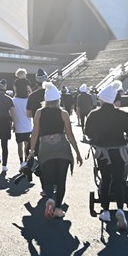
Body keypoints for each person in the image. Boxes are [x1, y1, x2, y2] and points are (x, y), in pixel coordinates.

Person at [84, 81, 128, 230]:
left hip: (102, 152)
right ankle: (120, 209)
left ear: (101, 99)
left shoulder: (94, 114)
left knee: (106, 179)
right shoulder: (122, 114)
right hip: (119, 151)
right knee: (119, 180)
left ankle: (106, 211)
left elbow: (87, 132)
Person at [27, 82, 82, 218]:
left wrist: (31, 151)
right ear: (58, 99)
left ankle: (50, 198)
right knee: (61, 179)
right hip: (62, 148)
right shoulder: (63, 113)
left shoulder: (39, 113)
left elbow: (35, 133)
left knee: (48, 178)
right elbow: (70, 135)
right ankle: (57, 208)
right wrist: (77, 152)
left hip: (46, 149)